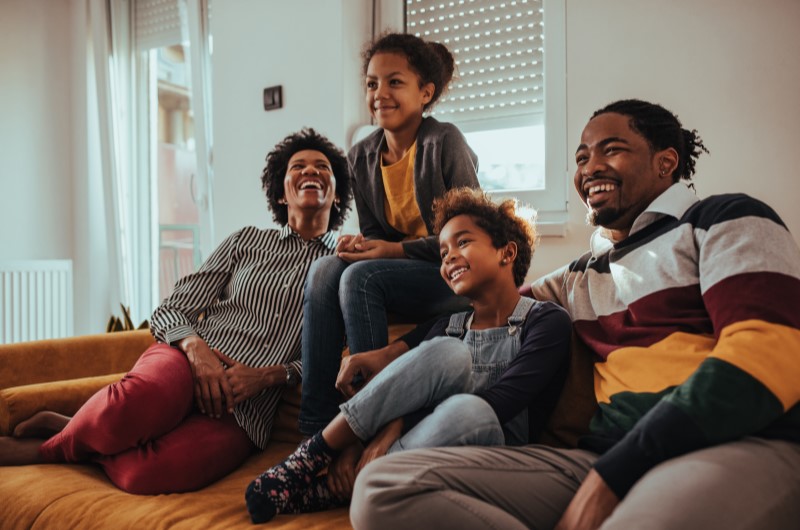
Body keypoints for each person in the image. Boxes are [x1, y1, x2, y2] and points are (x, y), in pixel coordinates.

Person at [349, 99, 800, 530]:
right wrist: (391, 355)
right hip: (597, 460)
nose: (589, 168)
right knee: (381, 488)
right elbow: (490, 308)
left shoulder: (724, 218)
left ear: (666, 163)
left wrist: (618, 472)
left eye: (612, 149)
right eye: (582, 157)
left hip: (732, 442)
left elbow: (768, 354)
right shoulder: (580, 275)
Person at [0, 128, 353, 495]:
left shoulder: (344, 264)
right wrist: (196, 352)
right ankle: (46, 449)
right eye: (298, 166)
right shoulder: (246, 240)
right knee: (126, 408)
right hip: (188, 360)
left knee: (147, 474)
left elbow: (329, 356)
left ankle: (71, 426)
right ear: (281, 193)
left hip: (247, 406)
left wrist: (265, 377)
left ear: (337, 192)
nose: (310, 171)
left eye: (322, 166)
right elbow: (171, 309)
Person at [244, 188, 572, 524]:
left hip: (495, 459)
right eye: (443, 252)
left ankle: (345, 485)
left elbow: (502, 402)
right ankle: (311, 457)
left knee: (471, 409)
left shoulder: (546, 321)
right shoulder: (448, 326)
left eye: (462, 242)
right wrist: (375, 409)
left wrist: (393, 431)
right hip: (427, 451)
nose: (449, 258)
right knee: (448, 352)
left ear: (507, 252)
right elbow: (399, 369)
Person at [299, 32, 481, 435]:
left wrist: (394, 251)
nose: (380, 93)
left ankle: (370, 419)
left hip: (452, 278)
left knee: (361, 277)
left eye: (394, 82)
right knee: (326, 270)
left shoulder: (444, 141)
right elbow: (375, 235)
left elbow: (471, 240)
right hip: (404, 279)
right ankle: (315, 427)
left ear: (425, 92)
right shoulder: (361, 156)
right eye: (371, 83)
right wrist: (358, 245)